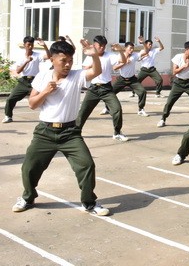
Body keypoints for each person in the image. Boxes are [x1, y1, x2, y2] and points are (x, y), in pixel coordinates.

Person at [12, 39, 110, 216]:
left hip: (70, 133)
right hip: (45, 132)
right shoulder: (42, 77)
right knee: (29, 167)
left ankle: (89, 202)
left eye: (70, 60)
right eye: (63, 60)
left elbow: (97, 71)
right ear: (52, 60)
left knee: (86, 165)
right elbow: (32, 104)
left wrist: (94, 55)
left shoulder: (77, 76)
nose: (67, 64)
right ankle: (28, 197)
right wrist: (45, 92)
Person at [76, 35, 129, 141]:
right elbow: (84, 69)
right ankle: (75, 133)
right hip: (93, 89)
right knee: (83, 112)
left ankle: (117, 133)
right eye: (100, 46)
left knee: (117, 109)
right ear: (95, 45)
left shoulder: (109, 55)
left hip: (106, 89)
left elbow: (123, 61)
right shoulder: (90, 56)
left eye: (104, 46)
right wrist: (92, 64)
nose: (102, 48)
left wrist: (121, 51)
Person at [3, 36, 49, 123]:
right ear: (24, 45)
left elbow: (49, 56)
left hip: (35, 81)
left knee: (46, 97)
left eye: (32, 45)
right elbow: (18, 71)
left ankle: (49, 118)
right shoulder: (21, 57)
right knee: (10, 99)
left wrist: (44, 46)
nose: (30, 46)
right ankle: (8, 116)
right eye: (28, 45)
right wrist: (26, 61)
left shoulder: (37, 55)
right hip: (24, 82)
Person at [157, 41, 189, 127]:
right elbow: (174, 71)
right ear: (186, 50)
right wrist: (183, 66)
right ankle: (163, 119)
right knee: (170, 102)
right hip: (178, 82)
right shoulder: (178, 57)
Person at [102, 41, 149, 117]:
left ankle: (141, 109)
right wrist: (123, 63)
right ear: (125, 48)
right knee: (110, 93)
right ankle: (107, 108)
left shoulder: (135, 55)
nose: (132, 50)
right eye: (130, 48)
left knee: (142, 92)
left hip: (132, 79)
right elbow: (114, 68)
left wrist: (143, 43)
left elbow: (146, 51)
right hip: (122, 79)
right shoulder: (120, 56)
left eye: (133, 48)